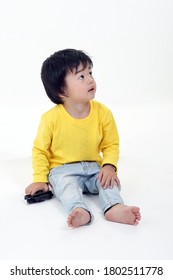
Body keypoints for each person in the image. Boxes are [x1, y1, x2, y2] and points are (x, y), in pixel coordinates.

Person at [25, 49, 141, 228]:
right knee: (66, 187)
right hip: (62, 170)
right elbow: (40, 150)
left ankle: (114, 207)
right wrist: (40, 178)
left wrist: (109, 166)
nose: (90, 79)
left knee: (109, 182)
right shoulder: (50, 118)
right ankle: (79, 210)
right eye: (81, 76)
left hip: (94, 167)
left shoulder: (103, 112)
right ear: (61, 90)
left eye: (90, 73)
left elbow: (111, 144)